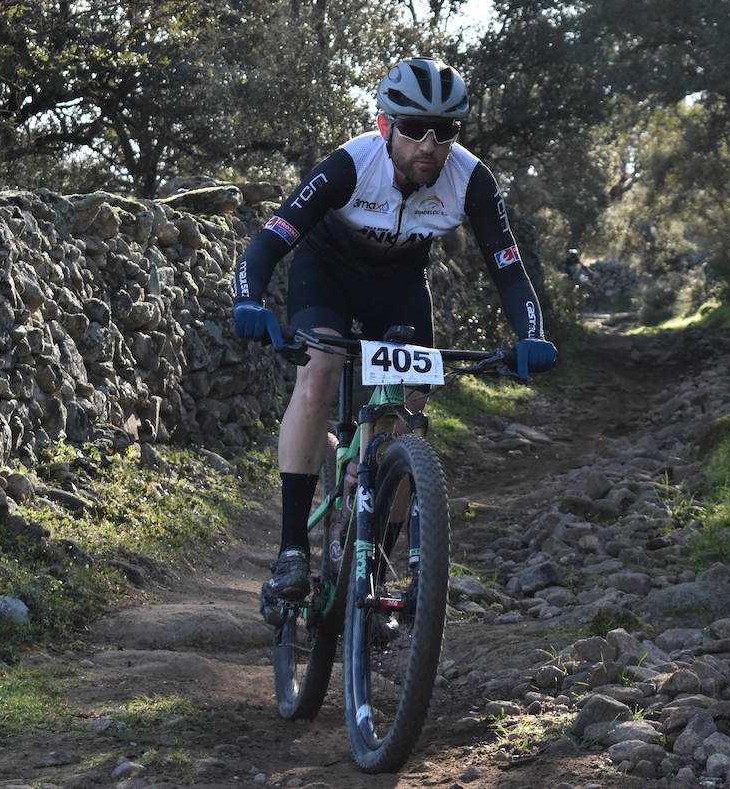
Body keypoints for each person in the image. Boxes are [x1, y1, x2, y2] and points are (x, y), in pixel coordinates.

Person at [230, 57, 557, 606]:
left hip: (400, 287)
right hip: (326, 275)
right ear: (385, 125)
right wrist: (249, 300)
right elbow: (269, 242)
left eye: (445, 131)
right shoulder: (348, 165)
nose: (429, 145)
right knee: (319, 373)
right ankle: (291, 551)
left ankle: (374, 579)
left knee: (409, 422)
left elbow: (507, 267)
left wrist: (532, 334)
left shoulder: (472, 179)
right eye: (412, 128)